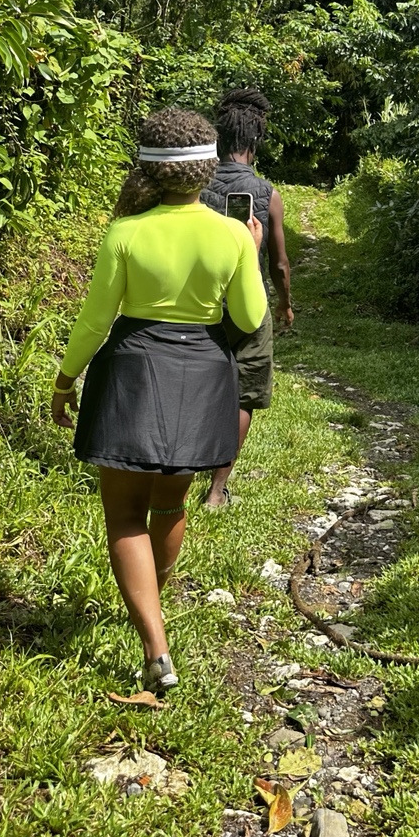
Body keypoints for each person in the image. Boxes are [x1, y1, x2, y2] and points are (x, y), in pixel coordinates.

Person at [51, 108, 267, 694]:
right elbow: (248, 318)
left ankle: (155, 644)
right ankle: (154, 608)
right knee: (170, 504)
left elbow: (97, 320)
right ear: (207, 168)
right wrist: (248, 250)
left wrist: (66, 379)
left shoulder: (125, 232)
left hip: (132, 371)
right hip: (201, 373)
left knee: (123, 514)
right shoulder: (229, 233)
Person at [200, 88, 293, 508]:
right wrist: (285, 301)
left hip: (198, 300)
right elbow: (279, 263)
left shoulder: (195, 184)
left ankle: (179, 472)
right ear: (255, 143)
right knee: (245, 395)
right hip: (248, 304)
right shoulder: (266, 193)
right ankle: (217, 491)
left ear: (219, 140)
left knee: (195, 384)